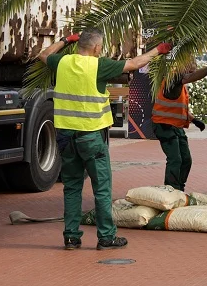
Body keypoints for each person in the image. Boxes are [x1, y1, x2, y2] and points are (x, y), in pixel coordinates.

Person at [37, 29, 171, 250]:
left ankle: (71, 238)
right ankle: (106, 237)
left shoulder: (63, 62)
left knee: (71, 188)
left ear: (78, 44)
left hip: (66, 137)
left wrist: (64, 40)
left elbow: (43, 54)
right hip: (91, 138)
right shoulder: (98, 65)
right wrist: (158, 49)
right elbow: (134, 63)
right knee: (101, 189)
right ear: (97, 48)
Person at [153, 63, 207, 191]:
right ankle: (171, 189)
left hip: (176, 126)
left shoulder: (181, 85)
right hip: (163, 125)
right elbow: (192, 77)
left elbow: (179, 108)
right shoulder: (173, 79)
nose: (194, 69)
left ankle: (179, 187)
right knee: (175, 159)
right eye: (191, 67)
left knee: (186, 159)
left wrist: (194, 120)